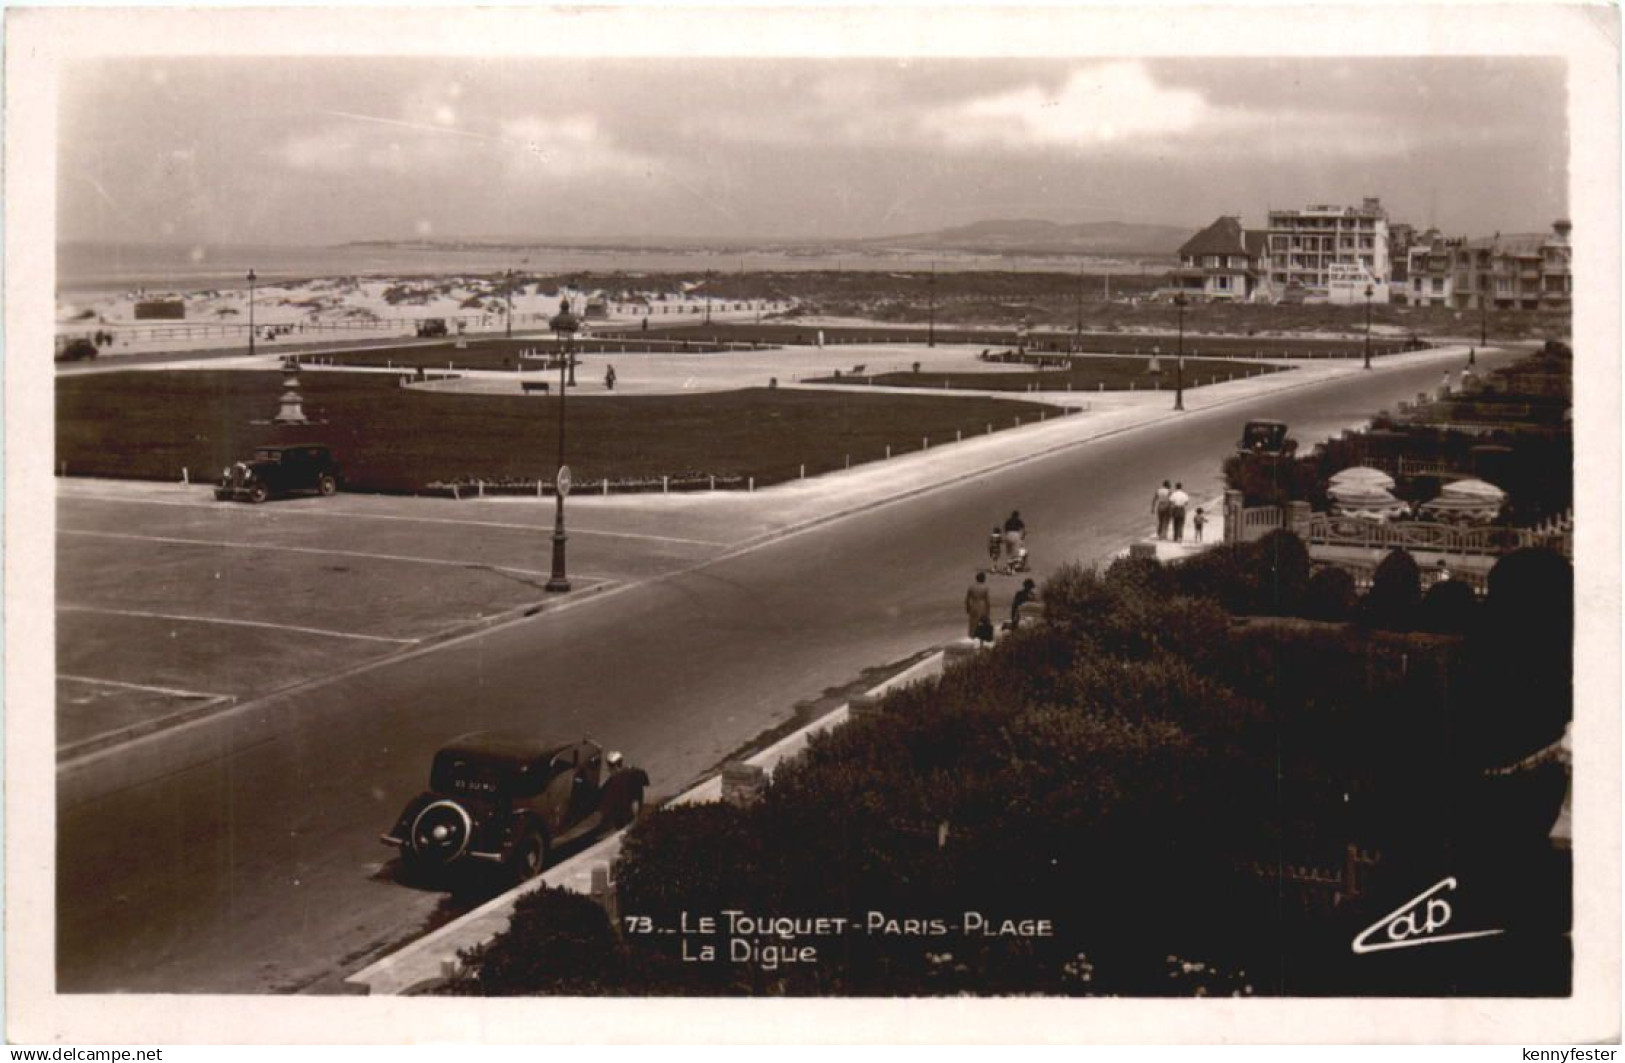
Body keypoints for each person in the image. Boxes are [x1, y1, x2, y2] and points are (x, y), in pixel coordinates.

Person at [965, 572, 992, 642]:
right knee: (983, 624)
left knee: (973, 624)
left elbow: (967, 599)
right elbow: (987, 600)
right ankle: (982, 639)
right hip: (982, 606)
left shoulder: (971, 587)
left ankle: (972, 637)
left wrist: (968, 608)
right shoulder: (985, 588)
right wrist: (988, 611)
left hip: (974, 605)